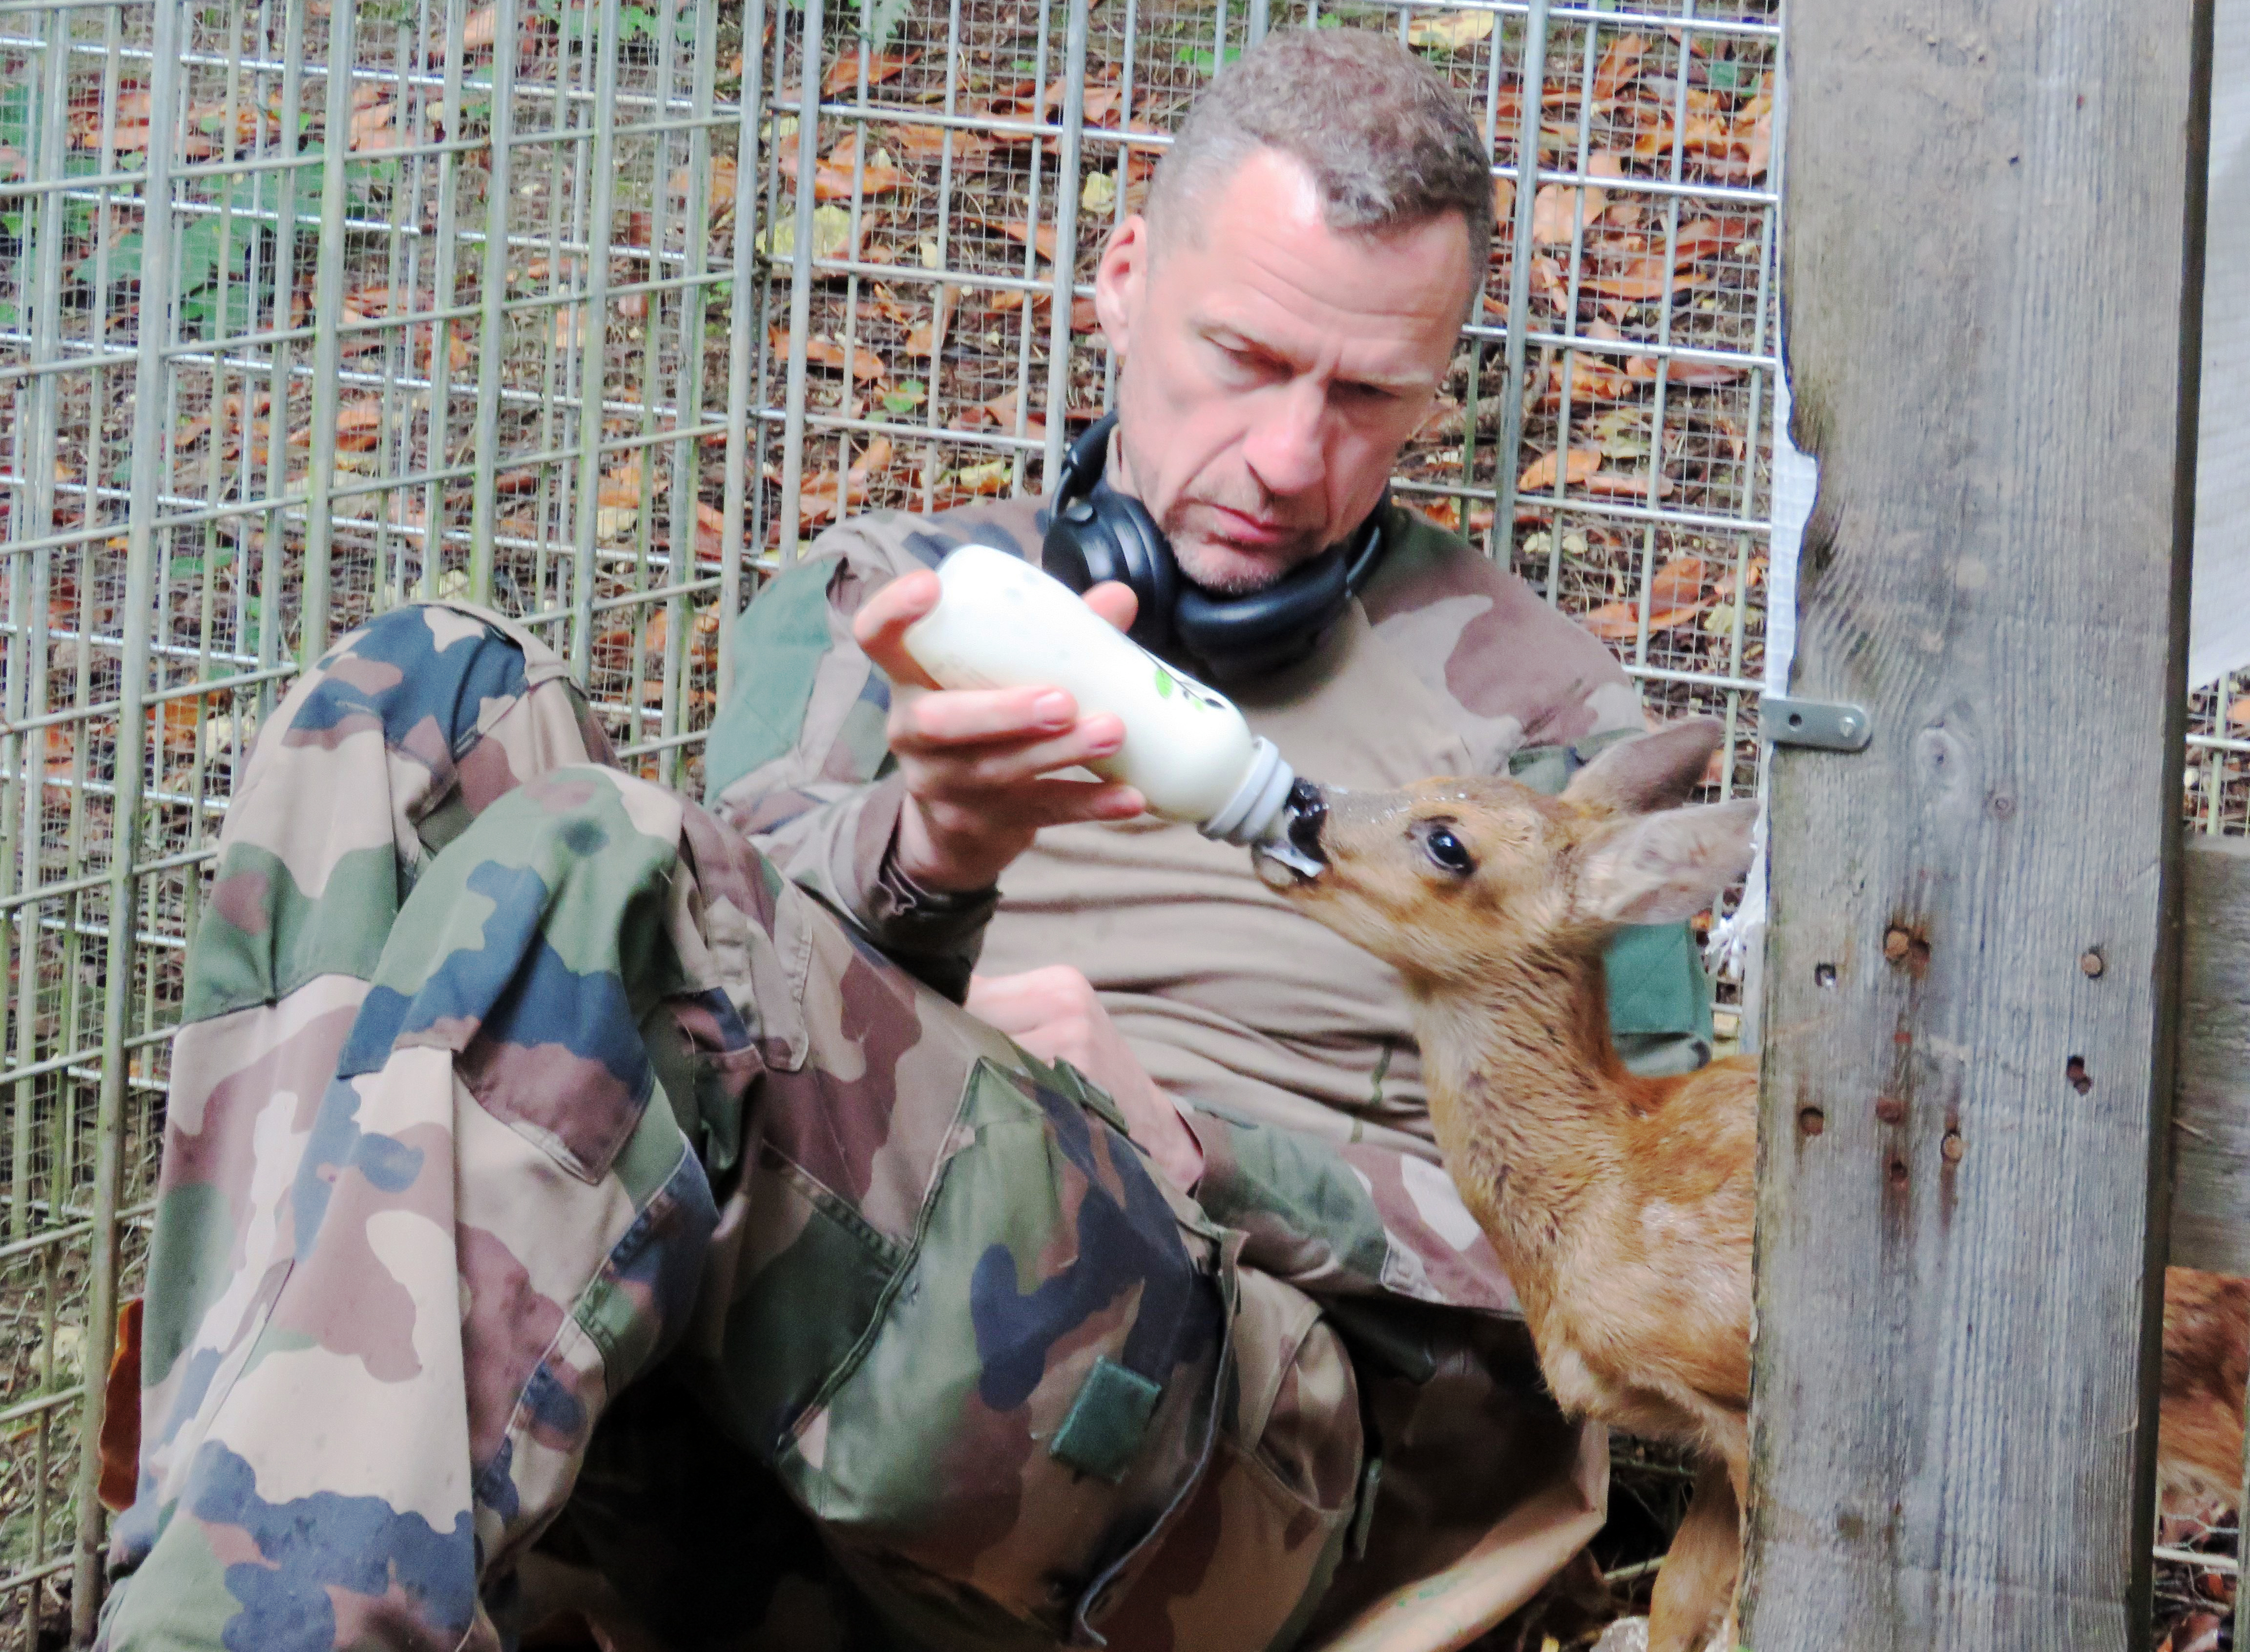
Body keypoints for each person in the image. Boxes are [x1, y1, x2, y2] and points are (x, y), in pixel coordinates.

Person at [95, 28, 1708, 1652]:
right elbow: (707, 997)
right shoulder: (888, 598)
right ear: (1123, 280)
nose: (1293, 459)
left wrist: (1205, 1148)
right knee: (410, 700)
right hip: (811, 1346)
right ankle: (224, 1582)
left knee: (617, 871)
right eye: (1244, 357)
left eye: (1369, 395)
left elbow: (1659, 1234)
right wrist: (932, 858)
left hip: (1225, 1442)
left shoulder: (1551, 738)